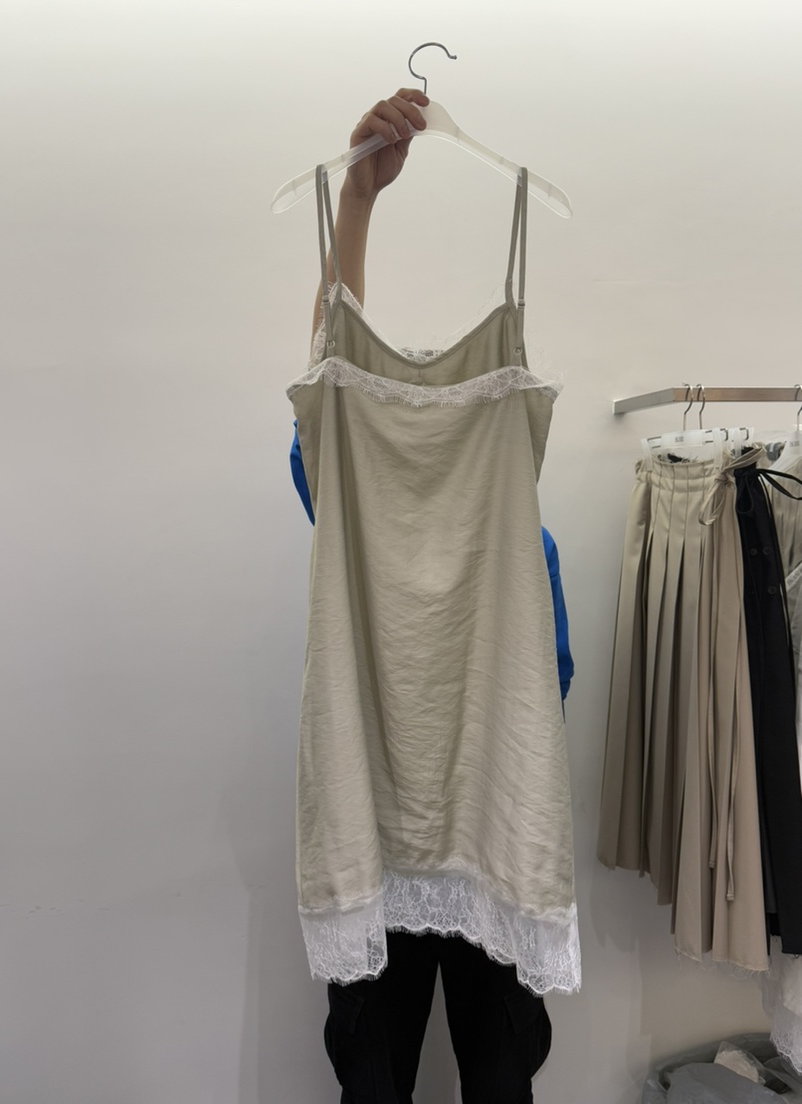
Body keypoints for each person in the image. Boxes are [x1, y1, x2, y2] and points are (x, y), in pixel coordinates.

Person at [293, 90, 571, 1104]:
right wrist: (358, 200)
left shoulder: (528, 544)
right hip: (373, 825)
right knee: (378, 1083)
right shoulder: (346, 490)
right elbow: (330, 374)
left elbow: (550, 679)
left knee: (498, 1080)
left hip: (494, 827)